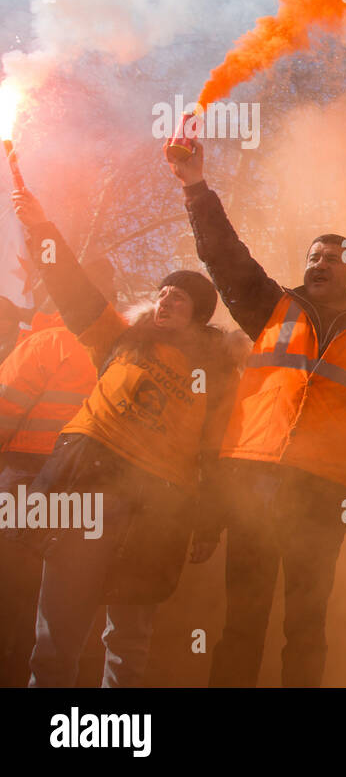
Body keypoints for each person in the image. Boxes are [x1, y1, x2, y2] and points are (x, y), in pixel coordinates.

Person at [169, 140, 346, 687]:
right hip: (251, 482)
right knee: (242, 622)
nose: (319, 264)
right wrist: (194, 186)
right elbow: (224, 254)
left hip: (321, 495)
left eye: (332, 259)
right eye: (313, 256)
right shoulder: (269, 306)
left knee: (306, 624)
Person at [9, 187, 236, 687]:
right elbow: (71, 286)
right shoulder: (118, 338)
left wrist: (208, 524)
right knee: (57, 634)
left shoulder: (215, 376)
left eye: (179, 296)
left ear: (199, 315)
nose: (166, 299)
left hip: (160, 509)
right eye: (162, 292)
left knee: (129, 640)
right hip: (88, 492)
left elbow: (214, 453)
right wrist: (41, 225)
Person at [0, 260, 113, 686]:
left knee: (7, 594)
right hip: (86, 491)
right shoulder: (119, 349)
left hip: (26, 481)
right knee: (50, 607)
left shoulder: (46, 341)